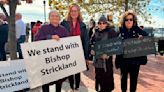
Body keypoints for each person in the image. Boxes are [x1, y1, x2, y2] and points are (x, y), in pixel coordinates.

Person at [35, 10, 69, 92]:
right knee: (46, 82)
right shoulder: (43, 28)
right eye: (52, 16)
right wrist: (50, 37)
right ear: (49, 18)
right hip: (46, 61)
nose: (55, 17)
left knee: (59, 82)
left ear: (59, 18)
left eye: (57, 16)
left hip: (59, 60)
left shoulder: (63, 29)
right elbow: (36, 40)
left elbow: (69, 43)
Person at [115, 10, 148, 92]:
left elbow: (148, 38)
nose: (129, 21)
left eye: (131, 19)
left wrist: (142, 38)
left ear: (134, 21)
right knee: (123, 80)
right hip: (123, 60)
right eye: (126, 19)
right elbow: (111, 41)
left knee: (134, 81)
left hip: (135, 61)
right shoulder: (119, 30)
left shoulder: (138, 30)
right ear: (123, 21)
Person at [61, 3, 89, 92]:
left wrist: (86, 57)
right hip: (67, 52)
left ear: (78, 12)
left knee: (77, 71)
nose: (73, 13)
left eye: (75, 11)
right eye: (72, 11)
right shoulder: (64, 23)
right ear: (69, 12)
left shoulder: (82, 25)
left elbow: (86, 41)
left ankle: (76, 88)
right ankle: (71, 88)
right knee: (69, 70)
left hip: (78, 52)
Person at [91, 15, 117, 92]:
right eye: (99, 23)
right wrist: (92, 50)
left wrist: (108, 54)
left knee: (106, 85)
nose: (101, 25)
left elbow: (116, 45)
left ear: (106, 24)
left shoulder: (111, 32)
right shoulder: (95, 33)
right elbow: (91, 44)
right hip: (98, 63)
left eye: (103, 23)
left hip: (106, 64)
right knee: (99, 82)